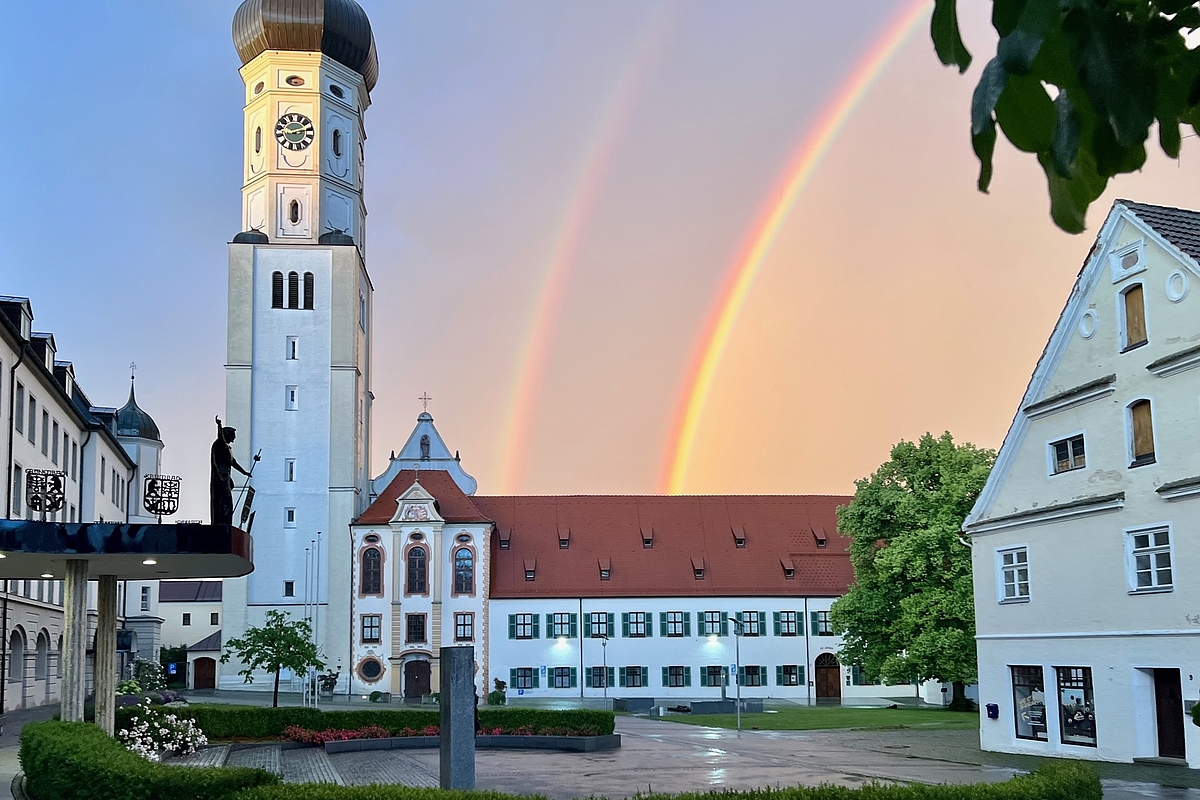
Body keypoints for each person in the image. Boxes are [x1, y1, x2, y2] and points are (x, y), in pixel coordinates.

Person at [211, 416, 258, 526]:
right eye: (233, 436)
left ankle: (226, 522)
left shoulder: (227, 448)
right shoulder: (220, 445)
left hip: (225, 478)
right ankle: (221, 523)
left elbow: (233, 462)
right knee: (223, 502)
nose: (234, 438)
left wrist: (244, 472)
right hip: (221, 479)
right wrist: (219, 426)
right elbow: (221, 440)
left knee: (227, 503)